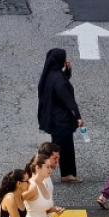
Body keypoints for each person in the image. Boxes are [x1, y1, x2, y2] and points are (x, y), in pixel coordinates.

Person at [37, 48, 82, 181]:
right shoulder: (58, 79)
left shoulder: (50, 75)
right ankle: (65, 174)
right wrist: (78, 116)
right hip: (61, 120)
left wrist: (67, 71)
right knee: (64, 148)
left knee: (59, 146)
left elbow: (62, 82)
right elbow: (68, 99)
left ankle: (63, 173)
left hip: (52, 118)